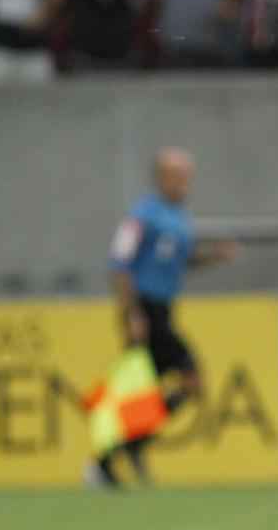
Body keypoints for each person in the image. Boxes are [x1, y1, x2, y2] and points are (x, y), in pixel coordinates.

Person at [99, 146, 240, 485]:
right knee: (187, 380)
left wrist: (213, 257)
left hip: (162, 310)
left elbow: (181, 261)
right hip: (144, 310)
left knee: (149, 392)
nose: (183, 183)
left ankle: (115, 455)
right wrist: (131, 314)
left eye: (186, 177)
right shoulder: (143, 215)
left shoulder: (179, 218)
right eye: (177, 176)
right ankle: (121, 451)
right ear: (161, 178)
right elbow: (120, 265)